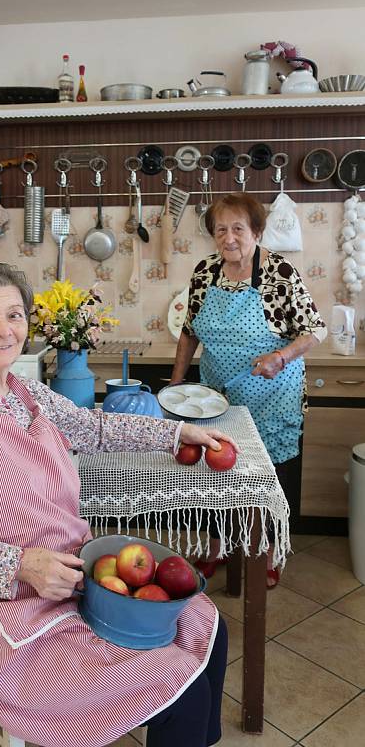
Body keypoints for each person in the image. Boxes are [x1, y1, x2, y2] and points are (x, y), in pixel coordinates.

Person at [0, 262, 237, 747]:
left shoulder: (25, 393)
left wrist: (178, 431)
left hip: (70, 579)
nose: (2, 330)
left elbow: (94, 428)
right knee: (179, 690)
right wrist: (20, 564)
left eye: (14, 315)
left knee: (209, 629)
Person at [170, 193, 327, 587]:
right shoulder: (205, 272)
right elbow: (189, 332)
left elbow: (314, 330)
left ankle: (269, 552)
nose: (229, 237)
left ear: (256, 231)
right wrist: (174, 385)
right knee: (216, 471)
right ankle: (218, 544)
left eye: (238, 228)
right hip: (218, 393)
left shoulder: (279, 273)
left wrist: (282, 355)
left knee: (268, 474)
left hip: (272, 393)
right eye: (221, 229)